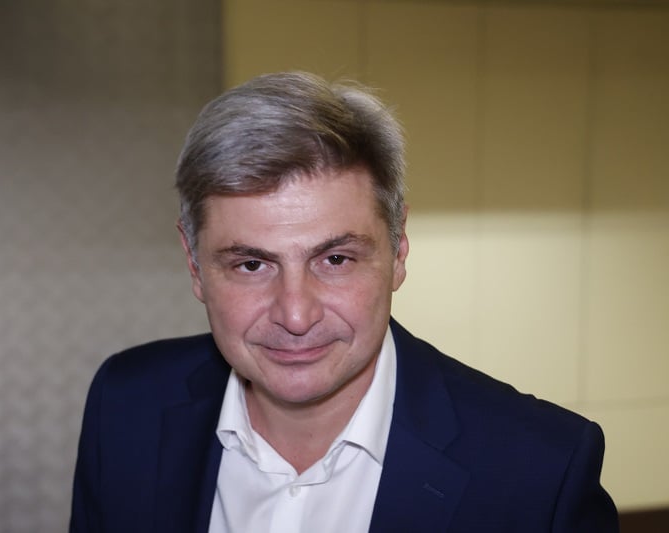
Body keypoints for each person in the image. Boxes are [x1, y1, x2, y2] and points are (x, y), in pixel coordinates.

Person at [70, 71, 618, 532]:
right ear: (194, 265)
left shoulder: (542, 471)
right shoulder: (126, 404)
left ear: (398, 251)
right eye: (251, 264)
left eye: (335, 259)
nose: (295, 314)